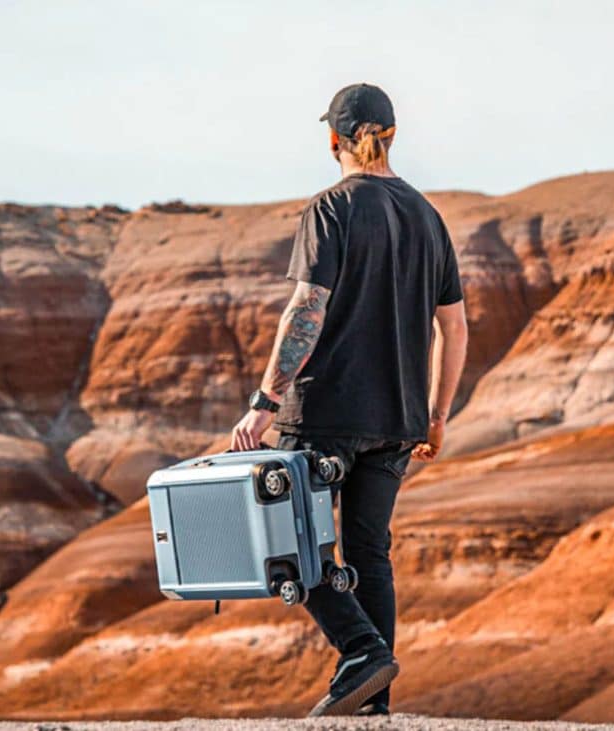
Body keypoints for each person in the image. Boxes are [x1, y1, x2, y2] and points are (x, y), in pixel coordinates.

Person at [229, 83, 468, 717]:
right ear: (391, 136)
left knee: (289, 541)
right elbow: (456, 326)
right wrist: (438, 416)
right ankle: (373, 702)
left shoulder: (330, 208)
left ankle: (360, 651)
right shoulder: (427, 216)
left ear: (333, 140)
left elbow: (307, 307)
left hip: (325, 413)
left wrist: (264, 400)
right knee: (370, 551)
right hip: (398, 419)